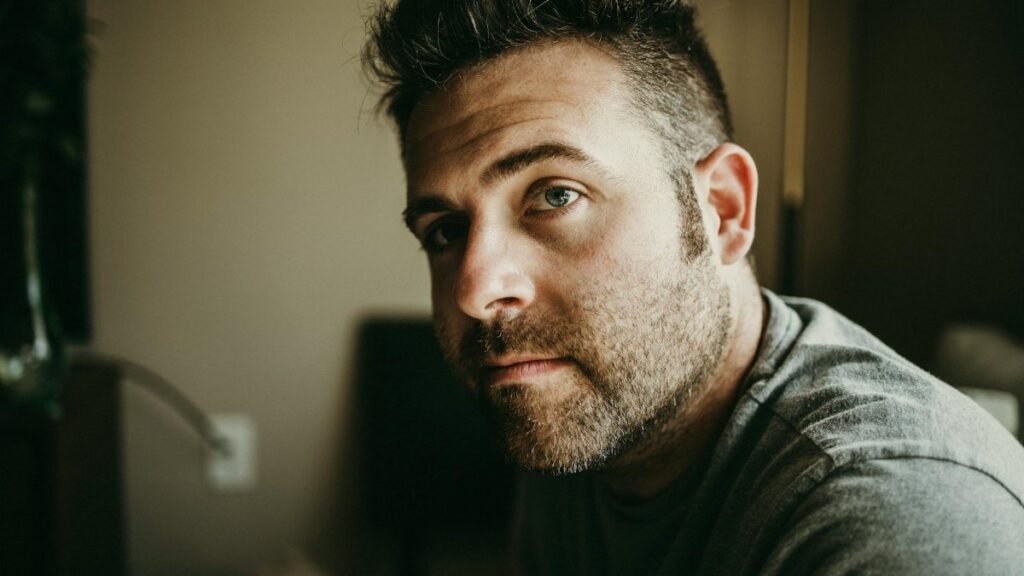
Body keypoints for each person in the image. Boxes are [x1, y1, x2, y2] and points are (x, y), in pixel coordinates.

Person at [361, 1, 1024, 574]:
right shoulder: (576, 409)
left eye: (555, 194)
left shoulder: (897, 518)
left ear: (723, 210)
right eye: (445, 231)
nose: (475, 290)